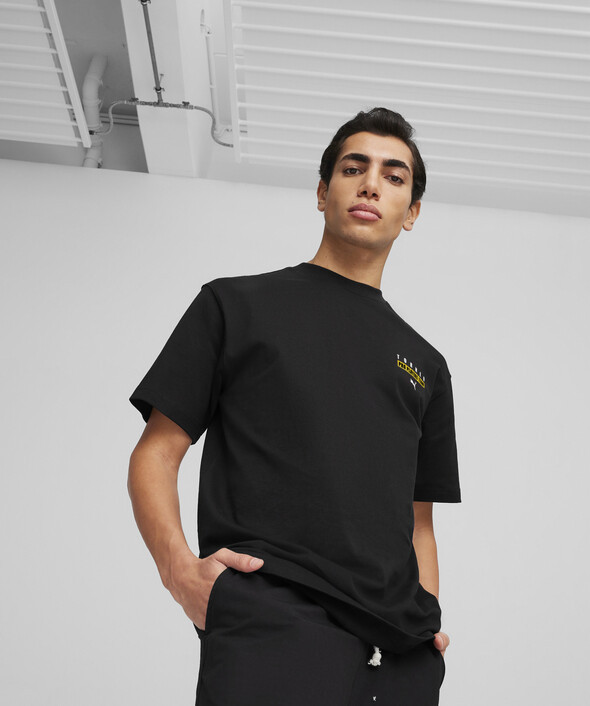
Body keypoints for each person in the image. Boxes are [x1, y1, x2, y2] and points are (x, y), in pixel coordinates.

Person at [127, 106, 462, 705]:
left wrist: (428, 625)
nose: (370, 185)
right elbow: (156, 452)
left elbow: (419, 523)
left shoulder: (426, 364)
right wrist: (180, 574)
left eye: (394, 176)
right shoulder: (235, 305)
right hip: (271, 612)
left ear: (411, 212)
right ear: (322, 191)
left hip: (399, 655)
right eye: (353, 168)